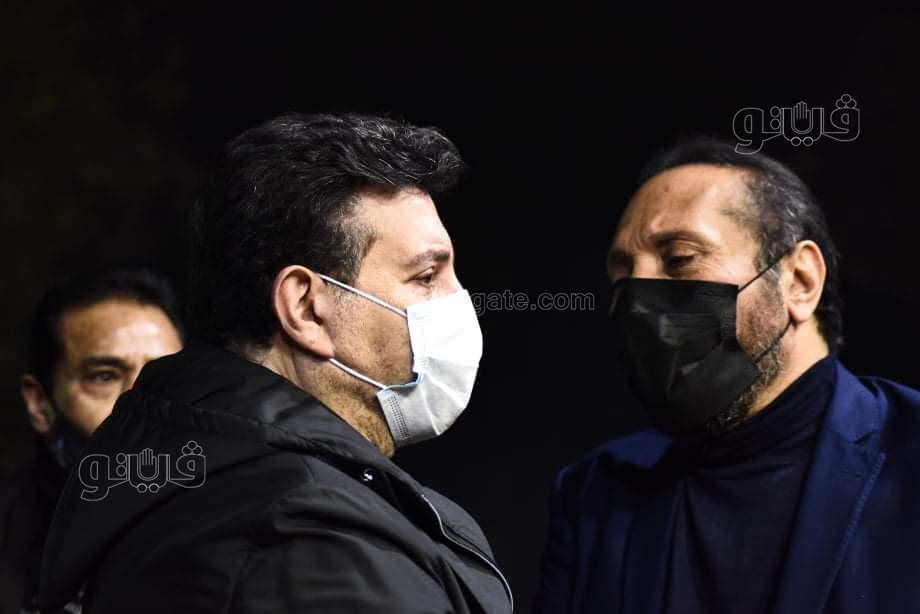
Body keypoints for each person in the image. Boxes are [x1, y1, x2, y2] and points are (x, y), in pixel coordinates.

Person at [39, 113, 513, 613]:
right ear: (305, 307)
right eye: (426, 277)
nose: (458, 300)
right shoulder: (309, 542)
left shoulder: (195, 470)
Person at [535, 137, 920, 614]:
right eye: (622, 280)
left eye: (680, 258)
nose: (638, 299)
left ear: (800, 282)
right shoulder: (593, 493)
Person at [0, 267, 184, 614]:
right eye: (104, 377)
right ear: (39, 403)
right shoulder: (10, 545)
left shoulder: (249, 520)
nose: (142, 402)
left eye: (164, 376)